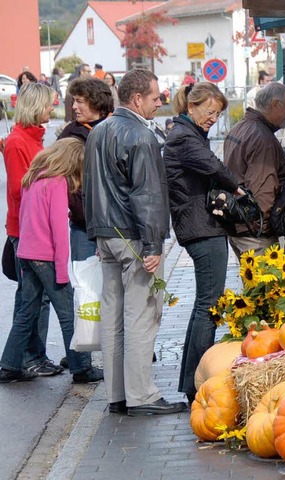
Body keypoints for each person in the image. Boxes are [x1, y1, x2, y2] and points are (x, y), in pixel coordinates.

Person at [84, 69, 186, 416]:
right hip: (131, 236)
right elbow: (147, 194)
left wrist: (96, 232)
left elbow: (90, 187)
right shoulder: (141, 136)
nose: (160, 103)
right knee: (141, 314)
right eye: (156, 97)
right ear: (137, 98)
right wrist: (154, 244)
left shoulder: (98, 132)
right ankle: (141, 394)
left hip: (106, 234)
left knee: (113, 317)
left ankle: (117, 395)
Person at [163, 82, 242, 404]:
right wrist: (239, 189)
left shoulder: (187, 133)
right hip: (201, 227)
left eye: (218, 114)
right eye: (209, 112)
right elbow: (214, 167)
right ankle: (196, 381)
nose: (213, 118)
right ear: (191, 107)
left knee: (206, 305)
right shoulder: (183, 137)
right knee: (207, 306)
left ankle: (193, 380)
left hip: (201, 225)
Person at [0, 139, 103, 384]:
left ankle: (9, 364)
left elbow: (23, 217)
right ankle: (81, 368)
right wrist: (61, 271)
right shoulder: (58, 183)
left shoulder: (32, 178)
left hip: (25, 252)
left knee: (27, 312)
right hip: (46, 257)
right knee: (68, 314)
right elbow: (58, 229)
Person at [2, 83, 57, 378]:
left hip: (36, 228)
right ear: (36, 106)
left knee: (37, 296)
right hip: (25, 230)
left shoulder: (32, 138)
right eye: (49, 104)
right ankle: (25, 357)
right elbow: (17, 189)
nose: (52, 108)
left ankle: (32, 355)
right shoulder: (17, 142)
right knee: (31, 297)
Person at [223, 82, 285, 258]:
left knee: (252, 285)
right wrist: (266, 228)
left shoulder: (240, 127)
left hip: (240, 225)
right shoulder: (262, 138)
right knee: (265, 285)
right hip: (255, 232)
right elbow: (263, 190)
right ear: (275, 105)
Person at [58, 78, 114, 261]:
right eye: (74, 101)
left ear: (96, 102)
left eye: (79, 101)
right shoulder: (69, 135)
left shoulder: (117, 129)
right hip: (83, 226)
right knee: (85, 285)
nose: (74, 106)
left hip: (116, 225)